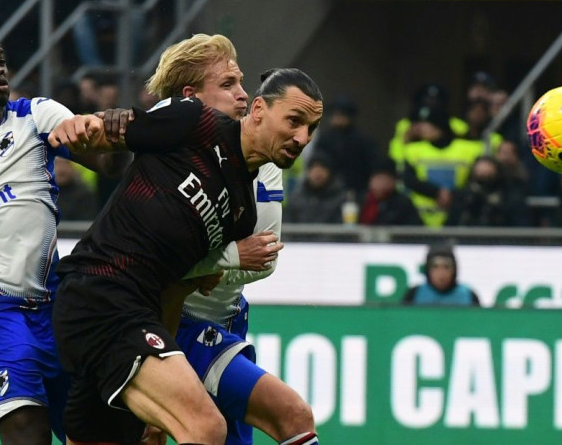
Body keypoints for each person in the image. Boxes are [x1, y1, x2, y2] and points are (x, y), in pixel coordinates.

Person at [47, 67, 323, 444]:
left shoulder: (243, 213)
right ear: (258, 109)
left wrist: (170, 360)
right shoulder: (197, 122)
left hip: (139, 318)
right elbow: (119, 129)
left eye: (311, 128)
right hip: (99, 293)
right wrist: (82, 125)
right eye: (294, 121)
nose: (302, 137)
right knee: (207, 427)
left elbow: (176, 290)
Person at [0, 14, 128, 445]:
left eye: (2, 60)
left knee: (92, 434)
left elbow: (106, 162)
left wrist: (111, 133)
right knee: (27, 432)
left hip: (56, 304)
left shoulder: (35, 116)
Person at [141, 34, 318, 445]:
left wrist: (220, 261)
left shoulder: (264, 156)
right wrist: (230, 256)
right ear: (190, 98)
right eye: (228, 86)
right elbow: (156, 258)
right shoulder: (168, 161)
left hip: (228, 320)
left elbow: (265, 258)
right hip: (173, 320)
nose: (243, 96)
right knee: (291, 414)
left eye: (241, 84)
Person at [402, 243, 481, 306]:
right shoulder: (414, 295)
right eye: (435, 267)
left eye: (446, 267)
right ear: (428, 270)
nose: (441, 272)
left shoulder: (468, 296)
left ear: (454, 270)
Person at [285, 151, 346, 224]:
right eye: (314, 168)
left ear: (329, 172)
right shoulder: (296, 198)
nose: (317, 172)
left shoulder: (339, 199)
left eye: (322, 168)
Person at [358, 157, 422, 226]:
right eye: (377, 179)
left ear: (393, 181)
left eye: (384, 179)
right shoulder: (362, 201)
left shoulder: (403, 204)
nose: (380, 184)